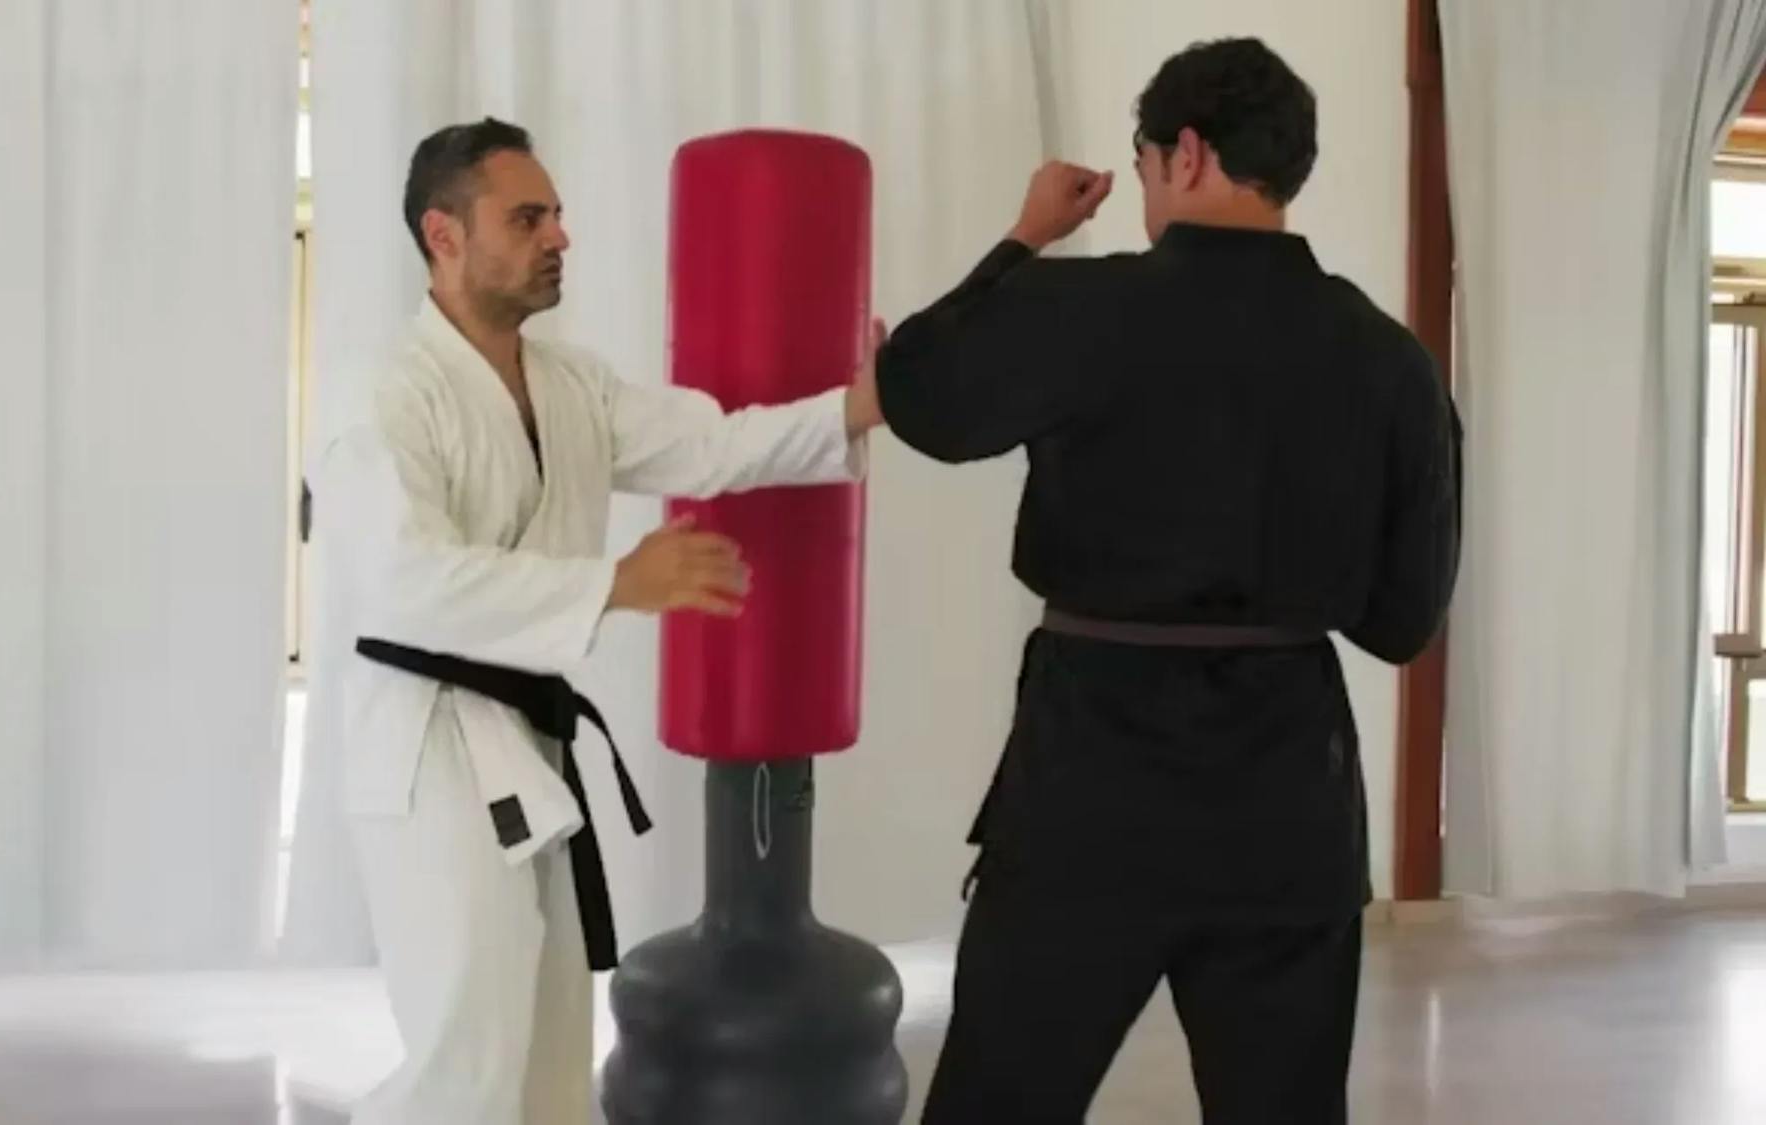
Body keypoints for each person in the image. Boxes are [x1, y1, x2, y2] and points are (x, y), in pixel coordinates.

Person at [876, 39, 1461, 1125]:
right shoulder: (1390, 359)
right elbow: (1401, 620)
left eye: (1143, 163)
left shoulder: (1086, 306)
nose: (1145, 186)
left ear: (1184, 153)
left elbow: (917, 389)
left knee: (1000, 1103)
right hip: (1288, 800)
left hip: (1090, 787)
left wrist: (1026, 234)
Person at [315, 118, 884, 1125]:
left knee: (547, 1057)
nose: (559, 237)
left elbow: (713, 445)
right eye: (526, 218)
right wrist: (614, 583)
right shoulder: (386, 393)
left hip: (527, 743)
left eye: (558, 215)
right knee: (464, 1064)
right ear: (444, 235)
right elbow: (406, 580)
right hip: (429, 748)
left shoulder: (569, 384)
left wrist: (854, 406)